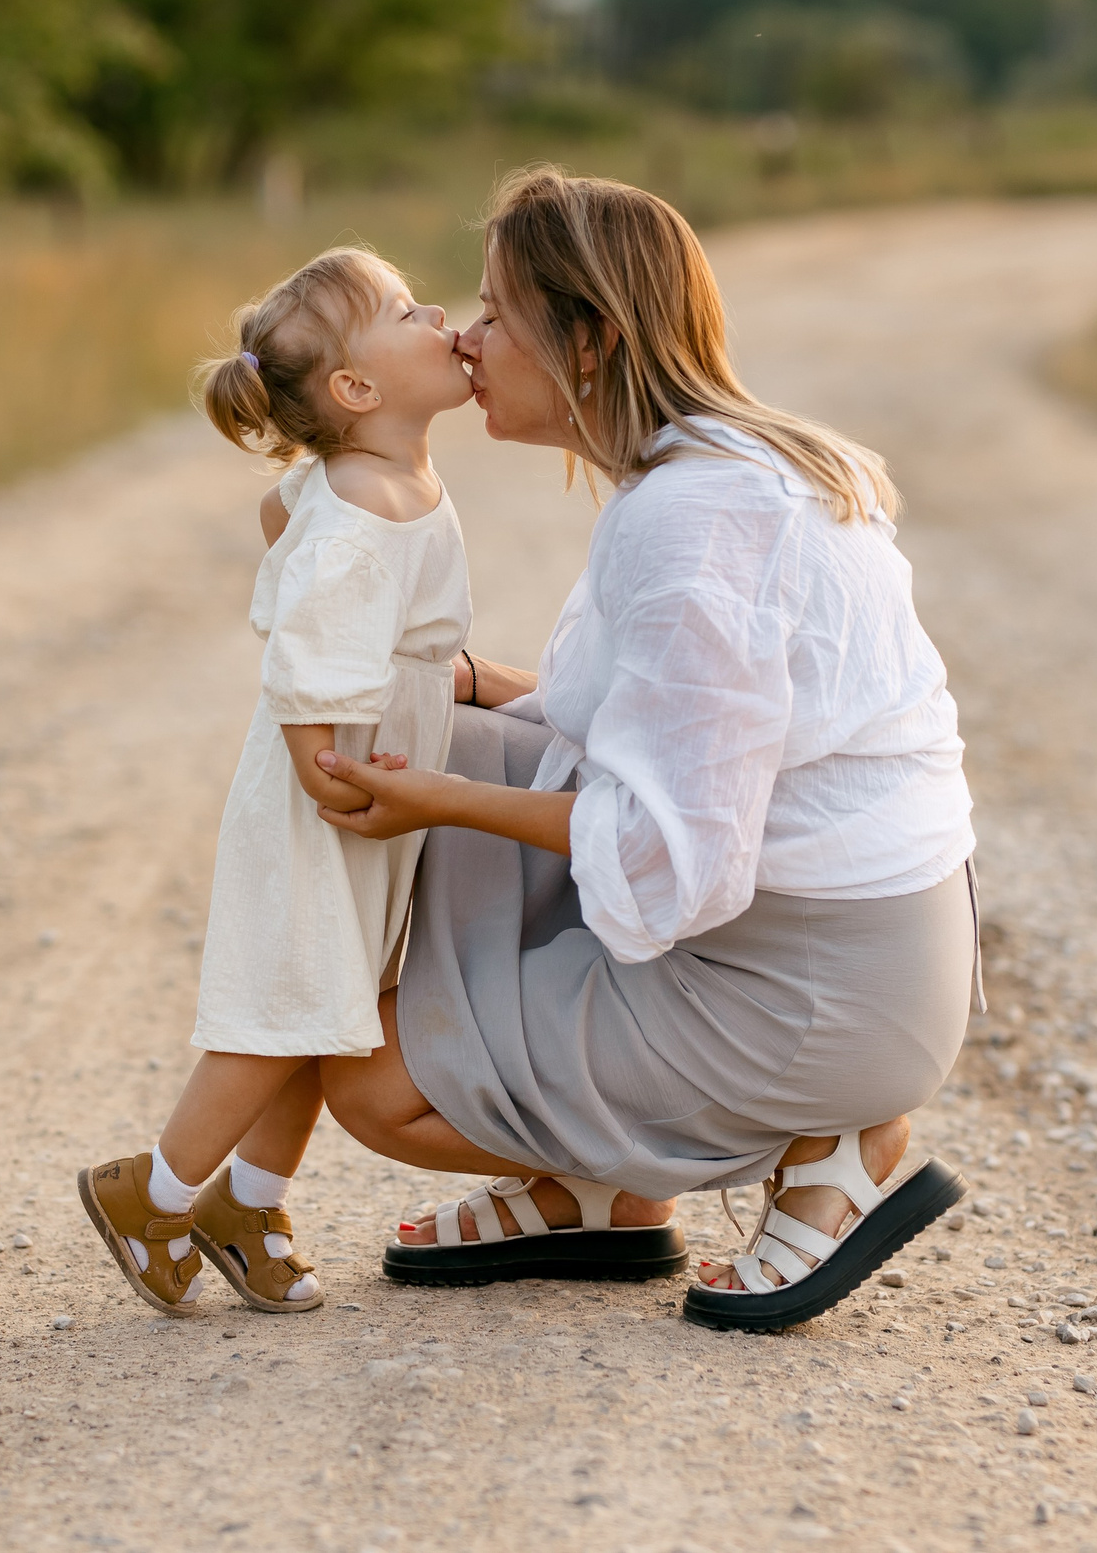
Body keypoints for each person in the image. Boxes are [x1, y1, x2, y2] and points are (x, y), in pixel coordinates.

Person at [313, 167, 979, 1330]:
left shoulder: (688, 524)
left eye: (494, 315)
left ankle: (834, 1137)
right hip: (843, 935)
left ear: (589, 340)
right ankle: (596, 1194)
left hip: (812, 988)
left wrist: (440, 798)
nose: (466, 344)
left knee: (371, 1085)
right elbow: (672, 730)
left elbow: (674, 849)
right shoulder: (716, 466)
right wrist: (455, 690)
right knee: (456, 723)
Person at [76, 247, 470, 1317]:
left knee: (327, 1003)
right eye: (403, 309)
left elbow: (275, 518)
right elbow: (305, 666)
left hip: (365, 775)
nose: (438, 311)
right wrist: (326, 771)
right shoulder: (359, 510)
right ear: (356, 389)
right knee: (281, 1005)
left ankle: (249, 1200)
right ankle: (150, 1192)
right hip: (324, 786)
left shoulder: (372, 482)